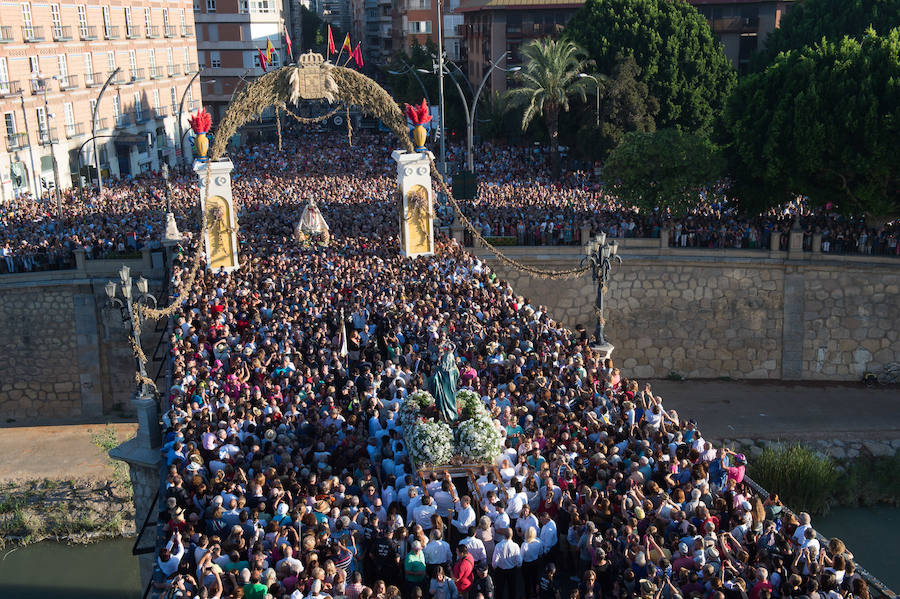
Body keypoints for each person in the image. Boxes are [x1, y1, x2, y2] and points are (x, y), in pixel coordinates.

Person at [491, 528, 522, 599]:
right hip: (512, 570)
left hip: (500, 570)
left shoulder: (498, 546)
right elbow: (519, 561)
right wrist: (517, 566)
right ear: (512, 535)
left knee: (499, 589)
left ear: (503, 535)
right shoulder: (515, 546)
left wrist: (494, 567)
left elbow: (494, 561)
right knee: (512, 589)